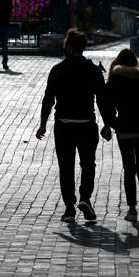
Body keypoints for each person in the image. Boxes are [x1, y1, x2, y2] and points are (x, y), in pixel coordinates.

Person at [36, 29, 115, 223]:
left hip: (63, 125)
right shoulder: (94, 71)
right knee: (88, 164)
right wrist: (107, 124)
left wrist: (43, 125)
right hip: (86, 125)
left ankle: (69, 208)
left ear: (69, 47)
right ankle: (85, 198)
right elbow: (103, 100)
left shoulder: (57, 70)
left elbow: (48, 100)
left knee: (66, 166)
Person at [101, 49, 139, 223]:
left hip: (124, 129)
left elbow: (106, 104)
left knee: (129, 170)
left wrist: (112, 123)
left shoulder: (115, 79)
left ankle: (132, 209)